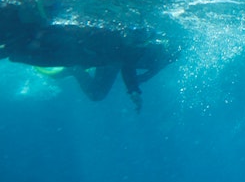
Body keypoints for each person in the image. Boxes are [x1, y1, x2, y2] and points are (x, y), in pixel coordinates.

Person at [0, 13, 178, 110]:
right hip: (76, 51)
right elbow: (134, 70)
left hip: (79, 56)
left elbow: (131, 68)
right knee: (17, 49)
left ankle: (72, 69)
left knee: (16, 53)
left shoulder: (133, 49)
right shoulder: (117, 35)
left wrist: (133, 90)